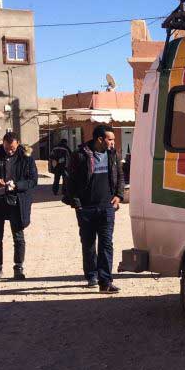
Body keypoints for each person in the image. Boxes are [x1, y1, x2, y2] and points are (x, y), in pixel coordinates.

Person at [64, 124, 124, 293]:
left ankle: (105, 281)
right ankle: (91, 275)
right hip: (86, 208)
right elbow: (70, 181)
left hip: (107, 207)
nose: (113, 142)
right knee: (89, 243)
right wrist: (77, 203)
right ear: (100, 139)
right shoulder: (80, 155)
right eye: (110, 139)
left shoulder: (113, 154)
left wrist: (119, 195)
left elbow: (120, 175)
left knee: (106, 244)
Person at [0, 132, 38, 280]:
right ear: (3, 144)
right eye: (6, 148)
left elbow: (32, 180)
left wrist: (17, 185)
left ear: (17, 143)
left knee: (18, 236)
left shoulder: (26, 157)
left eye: (12, 148)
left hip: (17, 202)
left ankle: (18, 267)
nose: (9, 151)